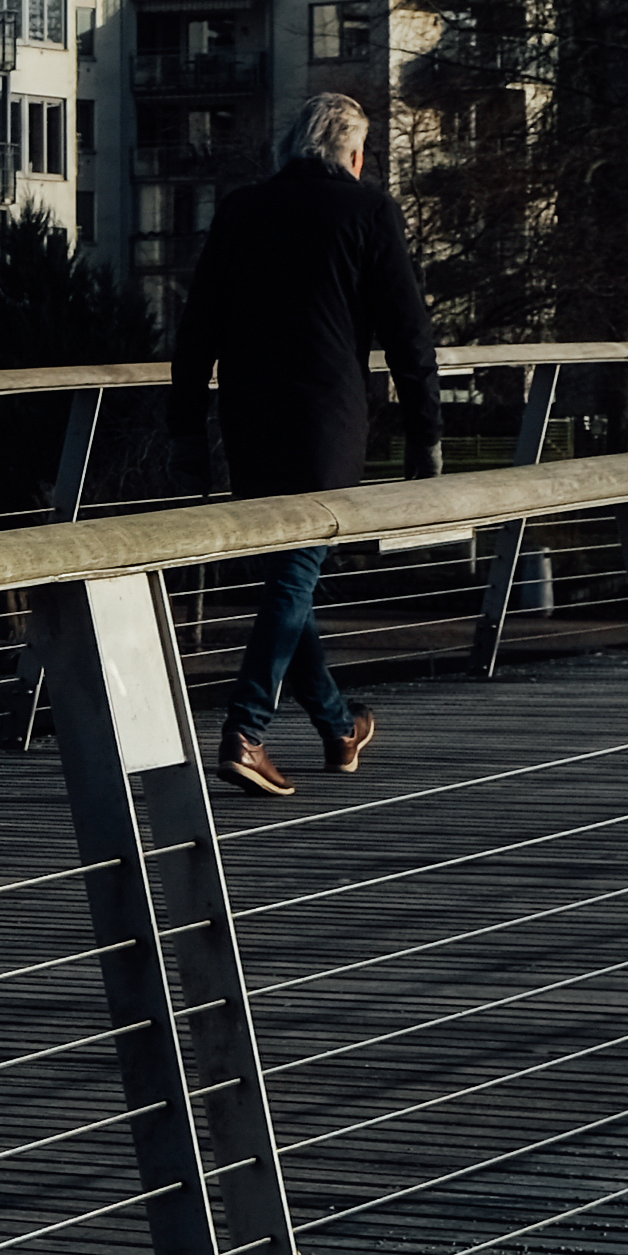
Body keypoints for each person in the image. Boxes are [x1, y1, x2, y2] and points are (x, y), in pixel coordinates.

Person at [164, 94, 444, 796]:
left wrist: (186, 432)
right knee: (294, 575)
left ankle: (340, 724)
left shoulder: (241, 209)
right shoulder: (369, 211)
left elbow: (197, 332)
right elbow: (409, 334)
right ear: (353, 155)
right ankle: (246, 732)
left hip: (251, 419)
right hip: (327, 421)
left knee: (292, 577)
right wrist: (426, 435)